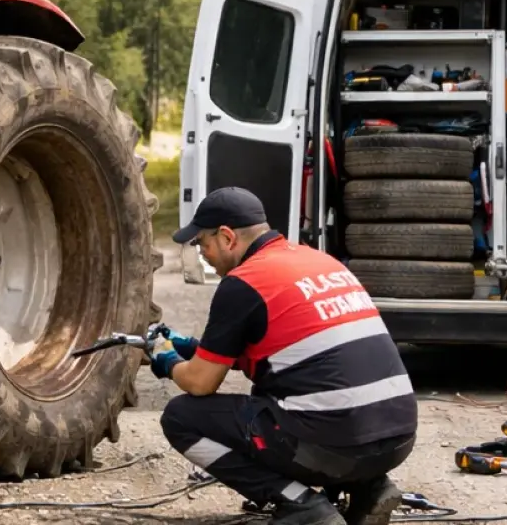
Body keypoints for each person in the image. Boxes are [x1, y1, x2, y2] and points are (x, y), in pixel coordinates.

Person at [149, 187, 418, 525]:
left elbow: (200, 383)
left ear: (227, 237)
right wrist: (193, 346)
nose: (204, 255)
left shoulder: (243, 283)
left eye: (203, 243)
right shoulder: (318, 260)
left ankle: (302, 505)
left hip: (334, 445)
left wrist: (166, 359)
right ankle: (371, 488)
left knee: (181, 417)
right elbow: (290, 350)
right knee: (309, 393)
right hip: (397, 437)